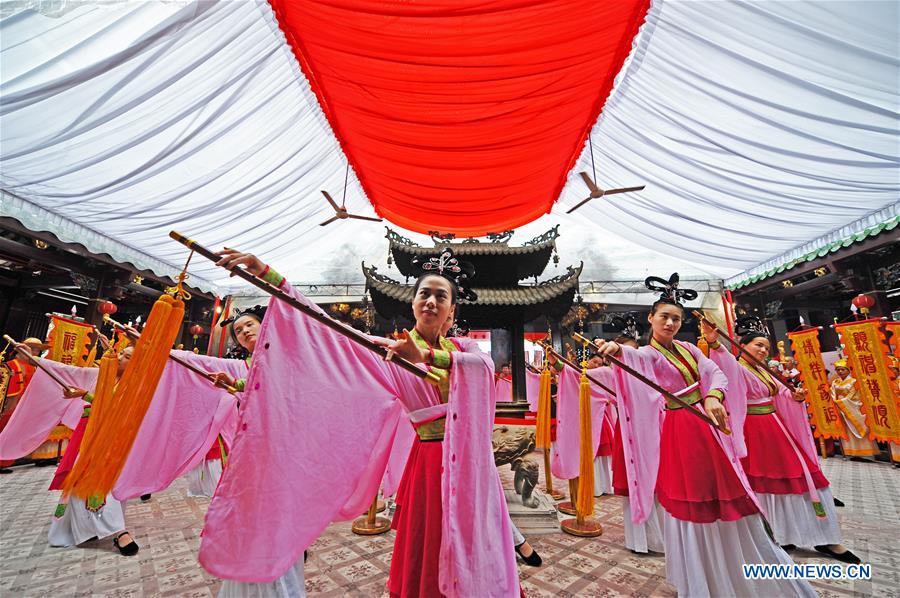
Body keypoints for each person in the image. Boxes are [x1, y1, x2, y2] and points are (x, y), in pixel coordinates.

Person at [204, 248, 518, 598]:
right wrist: (267, 273)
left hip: (471, 462)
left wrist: (427, 356)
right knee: (433, 541)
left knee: (478, 534)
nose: (430, 301)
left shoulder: (463, 349)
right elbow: (326, 328)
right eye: (423, 294)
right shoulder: (390, 352)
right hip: (430, 461)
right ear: (413, 303)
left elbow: (484, 368)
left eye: (440, 296)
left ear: (451, 311)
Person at [592, 274, 815, 597]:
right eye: (664, 317)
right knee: (693, 497)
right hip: (680, 429)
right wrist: (617, 350)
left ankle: (737, 561)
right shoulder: (649, 354)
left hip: (707, 425)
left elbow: (715, 373)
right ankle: (700, 576)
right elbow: (635, 359)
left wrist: (712, 397)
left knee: (725, 491)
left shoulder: (687, 349)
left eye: (676, 318)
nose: (670, 323)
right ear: (650, 319)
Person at [703, 320, 859, 563]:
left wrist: (793, 395)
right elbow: (723, 363)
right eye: (758, 345)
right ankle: (778, 535)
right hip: (755, 432)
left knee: (806, 478)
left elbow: (780, 391)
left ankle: (825, 536)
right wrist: (714, 342)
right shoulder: (737, 367)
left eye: (766, 347)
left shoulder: (764, 370)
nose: (764, 350)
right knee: (767, 485)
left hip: (777, 428)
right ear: (742, 346)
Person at [45, 344, 139, 556]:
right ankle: (82, 528)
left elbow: (114, 407)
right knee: (80, 480)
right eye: (122, 353)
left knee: (104, 483)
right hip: (92, 434)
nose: (121, 358)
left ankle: (117, 530)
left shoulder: (134, 385)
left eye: (127, 356)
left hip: (111, 440)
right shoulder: (109, 377)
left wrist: (85, 395)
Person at [830, 360, 878, 461]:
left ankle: (866, 454)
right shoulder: (835, 382)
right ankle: (851, 452)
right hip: (841, 409)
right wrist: (835, 401)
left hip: (852, 408)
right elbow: (832, 393)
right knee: (847, 431)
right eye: (838, 370)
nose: (840, 372)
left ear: (848, 371)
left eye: (843, 369)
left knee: (858, 428)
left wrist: (841, 402)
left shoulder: (854, 381)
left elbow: (854, 396)